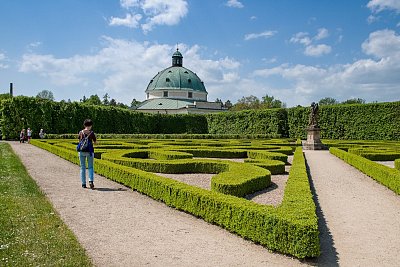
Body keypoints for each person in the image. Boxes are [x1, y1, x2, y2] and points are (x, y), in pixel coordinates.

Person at [78, 119, 97, 189]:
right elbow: (95, 142)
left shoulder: (81, 132)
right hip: (89, 152)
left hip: (81, 152)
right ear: (91, 125)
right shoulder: (92, 133)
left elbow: (79, 141)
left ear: (84, 125)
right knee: (90, 167)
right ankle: (91, 180)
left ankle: (83, 184)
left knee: (82, 168)